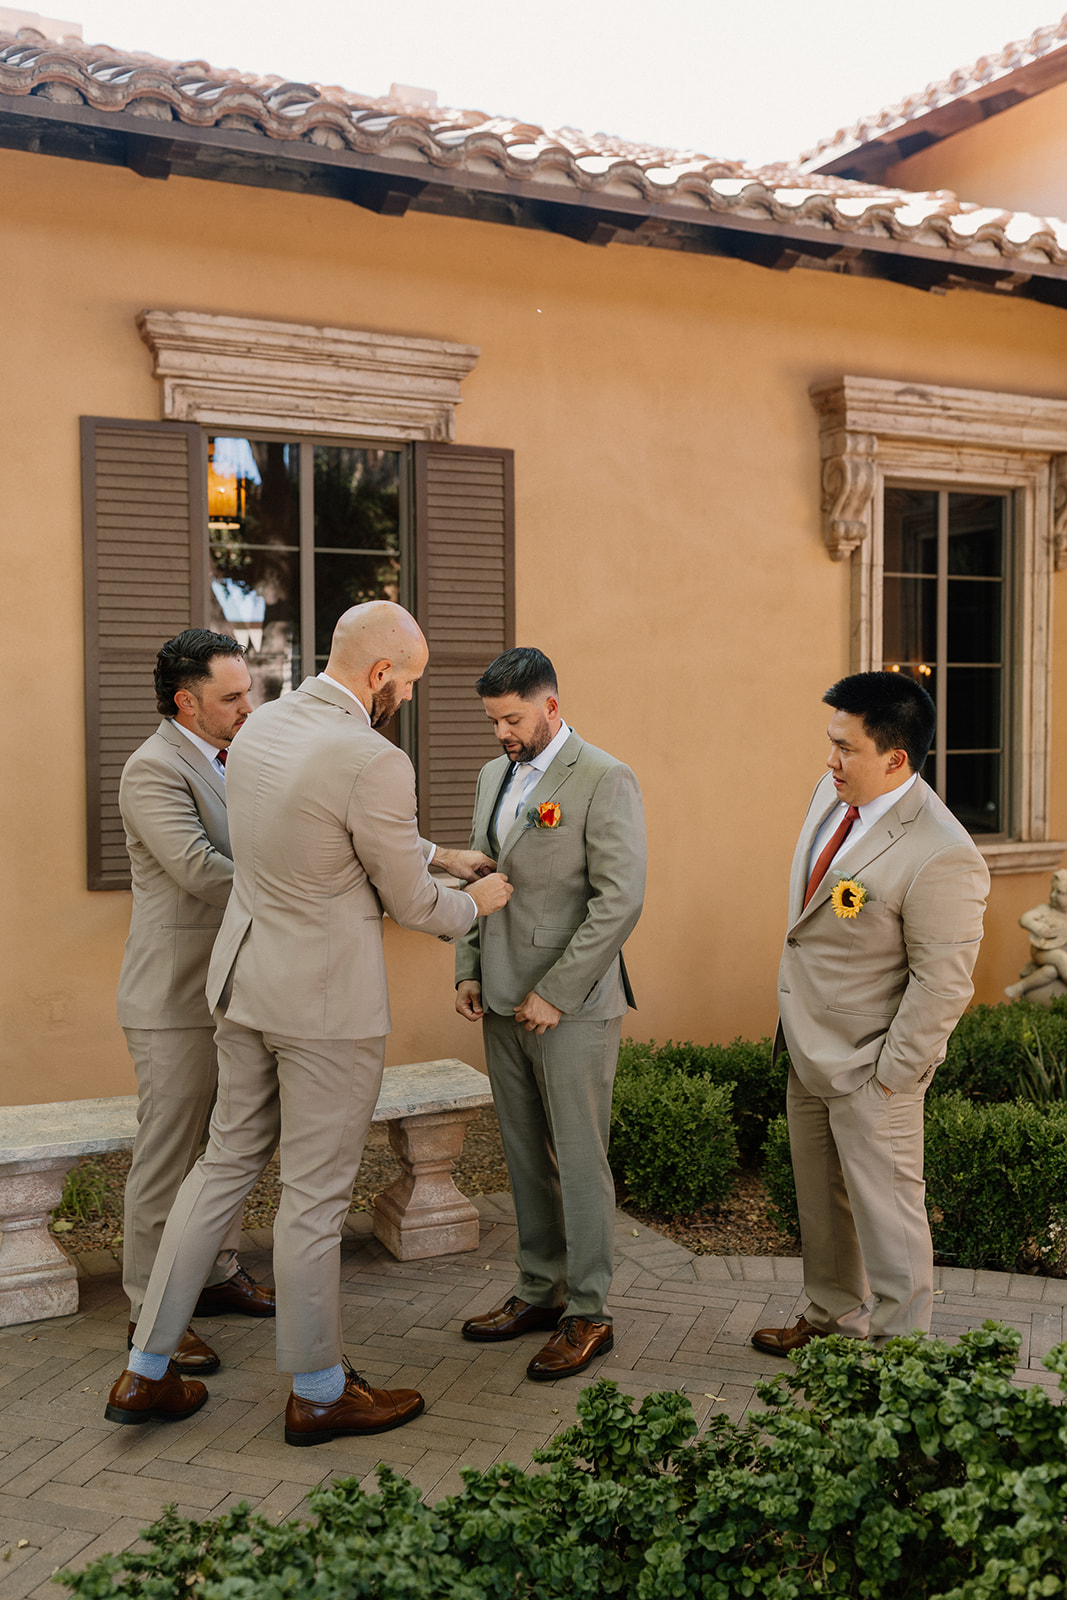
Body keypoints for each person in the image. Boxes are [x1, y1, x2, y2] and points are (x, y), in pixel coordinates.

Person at [105, 603, 513, 1443]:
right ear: (377, 674)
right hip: (324, 1004)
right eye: (406, 681)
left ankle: (144, 1368)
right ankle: (321, 1392)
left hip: (244, 982)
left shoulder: (264, 727)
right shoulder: (373, 756)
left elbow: (305, 842)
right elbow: (408, 901)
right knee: (314, 1200)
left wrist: (427, 852)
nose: (406, 695)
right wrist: (471, 904)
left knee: (219, 1167)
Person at [751, 671, 989, 1357]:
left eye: (845, 748)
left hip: (871, 1069)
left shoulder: (943, 854)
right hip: (805, 1046)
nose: (829, 761)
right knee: (821, 1208)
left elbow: (942, 985)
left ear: (895, 759)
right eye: (829, 743)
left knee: (889, 1222)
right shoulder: (832, 798)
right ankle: (831, 1323)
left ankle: (897, 1357)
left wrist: (890, 1077)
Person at [455, 647, 646, 1380]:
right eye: (493, 721)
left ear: (551, 707)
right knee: (523, 1154)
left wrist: (557, 990)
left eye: (512, 718)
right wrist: (468, 967)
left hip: (572, 1005)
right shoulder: (490, 775)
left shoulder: (604, 777)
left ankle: (589, 1311)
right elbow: (482, 869)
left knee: (578, 1157)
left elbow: (618, 900)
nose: (501, 733)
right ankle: (538, 1289)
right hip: (499, 998)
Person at [118, 630, 274, 1377]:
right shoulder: (152, 769)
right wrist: (303, 887)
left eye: (249, 691)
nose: (250, 707)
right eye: (232, 697)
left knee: (228, 1144)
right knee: (168, 1157)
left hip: (236, 990)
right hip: (175, 999)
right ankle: (151, 1309)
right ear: (187, 702)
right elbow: (200, 869)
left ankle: (212, 1274)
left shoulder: (235, 758)